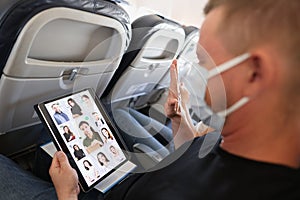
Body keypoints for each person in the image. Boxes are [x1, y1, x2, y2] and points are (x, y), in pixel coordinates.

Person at [0, 0, 300, 199]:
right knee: (48, 136)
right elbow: (197, 162)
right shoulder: (241, 146)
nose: (200, 72)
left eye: (205, 63)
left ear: (254, 72)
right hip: (121, 181)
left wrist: (67, 194)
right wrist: (181, 123)